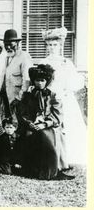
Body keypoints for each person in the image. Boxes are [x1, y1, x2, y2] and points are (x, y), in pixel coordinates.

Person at [15, 64, 73, 180]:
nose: (39, 83)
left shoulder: (53, 96)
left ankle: (50, 168)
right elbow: (22, 113)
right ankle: (31, 167)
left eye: (42, 81)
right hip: (32, 124)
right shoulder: (28, 96)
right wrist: (29, 123)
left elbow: (57, 116)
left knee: (45, 134)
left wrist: (44, 124)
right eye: (37, 80)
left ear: (47, 81)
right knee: (28, 134)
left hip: (49, 125)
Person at [40, 27, 86, 168]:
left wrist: (65, 90)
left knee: (68, 125)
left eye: (55, 45)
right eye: (50, 45)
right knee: (52, 125)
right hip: (49, 98)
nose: (52, 48)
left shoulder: (66, 62)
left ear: (60, 46)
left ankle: (70, 157)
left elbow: (74, 81)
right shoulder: (44, 62)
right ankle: (54, 156)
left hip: (64, 97)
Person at [0, 29, 33, 120]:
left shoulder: (24, 57)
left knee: (20, 123)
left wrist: (19, 98)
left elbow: (27, 80)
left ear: (18, 44)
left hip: (19, 100)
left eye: (11, 45)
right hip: (7, 98)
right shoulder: (6, 57)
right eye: (6, 45)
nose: (8, 47)